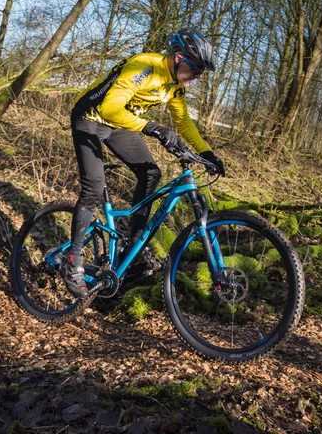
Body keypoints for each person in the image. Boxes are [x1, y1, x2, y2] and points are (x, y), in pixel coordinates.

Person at [60, 28, 225, 298]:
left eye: (202, 71)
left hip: (118, 126)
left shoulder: (174, 88)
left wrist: (207, 153)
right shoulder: (146, 66)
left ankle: (134, 246)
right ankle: (72, 259)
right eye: (195, 68)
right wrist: (154, 128)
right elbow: (109, 108)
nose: (198, 75)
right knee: (93, 186)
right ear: (178, 58)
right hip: (91, 118)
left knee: (151, 173)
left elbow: (183, 122)